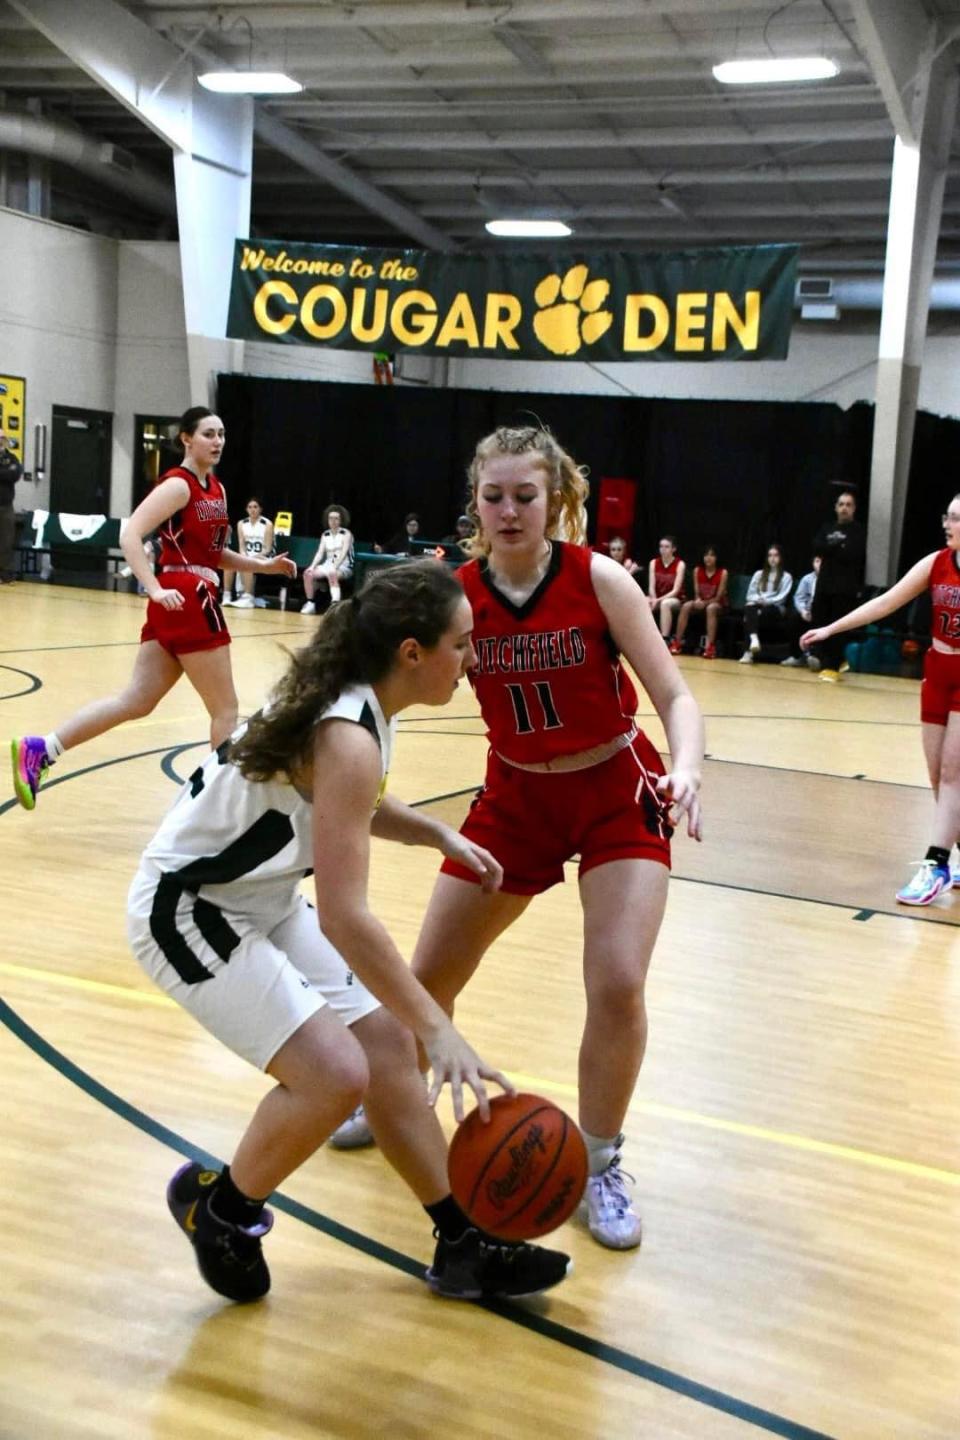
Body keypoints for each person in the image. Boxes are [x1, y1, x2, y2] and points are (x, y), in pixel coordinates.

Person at [127, 561, 569, 1303]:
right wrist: (440, 1026)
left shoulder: (363, 712)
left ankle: (461, 1243)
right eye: (462, 645)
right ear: (412, 653)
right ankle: (222, 1210)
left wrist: (432, 832)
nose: (473, 659)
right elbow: (345, 915)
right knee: (335, 1076)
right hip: (189, 909)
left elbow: (343, 805)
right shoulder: (350, 734)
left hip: (256, 895)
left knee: (388, 1049)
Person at [328, 427, 704, 1247]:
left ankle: (599, 1164)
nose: (507, 511)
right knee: (428, 976)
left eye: (524, 496)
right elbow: (377, 678)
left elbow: (676, 695)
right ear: (476, 502)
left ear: (557, 498)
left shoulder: (599, 579)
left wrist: (689, 766)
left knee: (616, 980)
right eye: (492, 496)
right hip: (515, 795)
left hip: (614, 787)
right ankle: (392, 1097)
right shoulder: (453, 595)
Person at [10, 406, 297, 812]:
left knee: (137, 700)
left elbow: (213, 554)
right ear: (186, 439)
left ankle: (43, 748)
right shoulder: (178, 486)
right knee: (226, 709)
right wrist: (155, 587)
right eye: (208, 434)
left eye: (221, 434)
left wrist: (261, 565)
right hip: (187, 596)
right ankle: (220, 809)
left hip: (185, 594)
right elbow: (130, 535)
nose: (217, 442)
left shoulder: (215, 488)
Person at [802, 498, 960, 905]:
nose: (947, 522)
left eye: (956, 517)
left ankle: (936, 864)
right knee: (935, 773)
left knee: (952, 772)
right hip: (937, 672)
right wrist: (830, 629)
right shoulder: (936, 563)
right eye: (946, 515)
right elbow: (885, 603)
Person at [810, 488, 866, 683]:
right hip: (824, 585)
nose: (844, 508)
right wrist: (836, 547)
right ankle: (836, 659)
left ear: (854, 509)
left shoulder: (858, 531)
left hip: (844, 588)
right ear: (835, 507)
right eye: (841, 504)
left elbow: (853, 554)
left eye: (848, 505)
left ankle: (832, 666)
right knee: (819, 620)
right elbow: (817, 547)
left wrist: (830, 549)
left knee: (836, 626)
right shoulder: (826, 527)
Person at [738, 544, 793, 664]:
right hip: (758, 605)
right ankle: (754, 639)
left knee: (749, 617)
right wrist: (759, 600)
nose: (772, 558)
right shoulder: (759, 574)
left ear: (781, 558)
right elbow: (750, 595)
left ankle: (748, 652)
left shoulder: (786, 576)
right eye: (770, 555)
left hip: (776, 608)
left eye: (776, 555)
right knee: (749, 608)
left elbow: (781, 598)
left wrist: (766, 602)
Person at [671, 544, 728, 658]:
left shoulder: (723, 573)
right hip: (701, 602)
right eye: (706, 555)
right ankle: (677, 642)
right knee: (686, 605)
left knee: (711, 608)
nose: (708, 558)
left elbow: (718, 596)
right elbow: (697, 593)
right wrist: (697, 600)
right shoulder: (697, 570)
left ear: (717, 558)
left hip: (718, 605)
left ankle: (710, 647)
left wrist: (704, 603)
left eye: (712, 555)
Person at [301, 504, 354, 615]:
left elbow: (344, 553)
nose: (333, 521)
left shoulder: (346, 534)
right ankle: (310, 603)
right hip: (328, 565)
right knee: (308, 574)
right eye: (331, 518)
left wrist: (335, 566)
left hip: (344, 567)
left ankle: (334, 606)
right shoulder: (325, 535)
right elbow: (320, 553)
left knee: (332, 572)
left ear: (341, 520)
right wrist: (312, 566)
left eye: (336, 518)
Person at [223, 498, 275, 610]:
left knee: (247, 562)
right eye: (250, 507)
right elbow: (242, 546)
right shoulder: (241, 523)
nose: (252, 510)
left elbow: (267, 549)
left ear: (260, 509)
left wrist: (250, 558)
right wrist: (244, 556)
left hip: (265, 556)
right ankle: (226, 596)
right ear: (246, 509)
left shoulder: (267, 524)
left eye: (255, 507)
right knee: (229, 563)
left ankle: (248, 597)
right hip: (249, 555)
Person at [780, 556, 821, 667]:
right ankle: (796, 656)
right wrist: (803, 611)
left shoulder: (832, 580)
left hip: (823, 613)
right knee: (794, 617)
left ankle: (815, 657)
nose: (820, 564)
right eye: (817, 561)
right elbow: (799, 598)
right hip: (808, 612)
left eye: (822, 561)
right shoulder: (807, 579)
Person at [646, 535, 686, 641]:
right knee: (643, 601)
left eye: (667, 547)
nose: (663, 549)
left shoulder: (680, 564)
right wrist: (653, 599)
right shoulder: (653, 563)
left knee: (665, 603)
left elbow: (676, 590)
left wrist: (657, 600)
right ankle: (644, 637)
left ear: (674, 549)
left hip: (675, 599)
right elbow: (651, 587)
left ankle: (665, 638)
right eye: (661, 546)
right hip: (656, 597)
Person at [0, 427, 24, 584]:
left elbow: (15, 474)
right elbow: (7, 474)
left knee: (6, 541)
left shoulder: (12, 458)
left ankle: (5, 574)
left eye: (3, 437)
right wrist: (4, 473)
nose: (1, 440)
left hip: (6, 505)